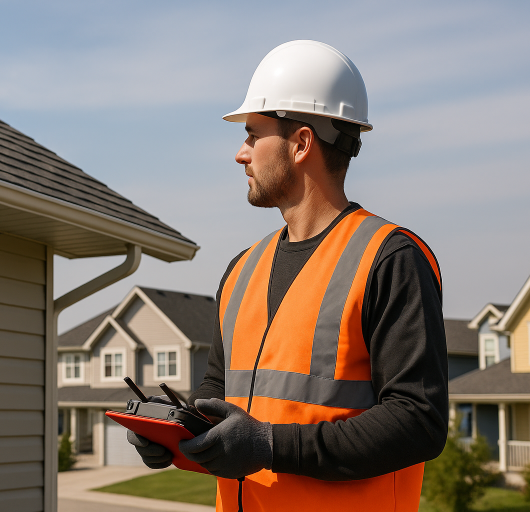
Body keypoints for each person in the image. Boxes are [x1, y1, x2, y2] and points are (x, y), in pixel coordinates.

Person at [127, 40, 448, 511]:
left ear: (300, 143)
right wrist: (179, 434)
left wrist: (270, 446)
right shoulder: (241, 271)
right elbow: (218, 393)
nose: (241, 154)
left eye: (254, 135)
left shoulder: (390, 258)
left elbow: (418, 420)